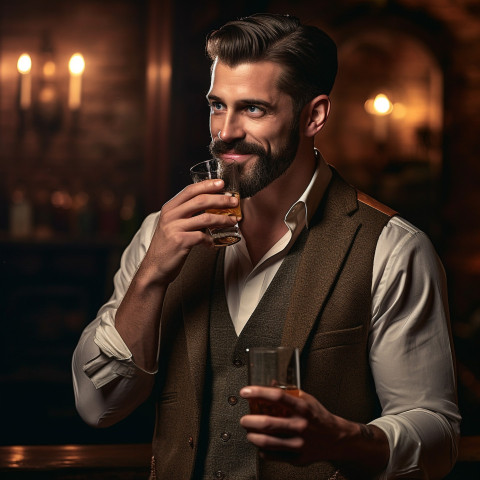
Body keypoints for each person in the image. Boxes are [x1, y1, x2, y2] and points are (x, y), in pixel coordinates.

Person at [72, 13, 460, 480]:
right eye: (218, 106)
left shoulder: (392, 248)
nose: (225, 132)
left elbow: (436, 436)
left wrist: (342, 439)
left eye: (253, 109)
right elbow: (99, 407)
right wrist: (152, 273)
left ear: (313, 115)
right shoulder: (163, 232)